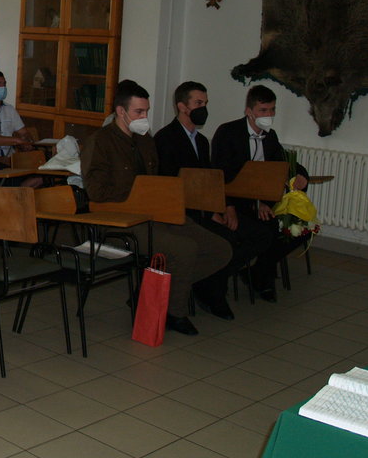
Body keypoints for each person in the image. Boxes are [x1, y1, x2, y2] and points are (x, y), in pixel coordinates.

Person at [80, 80, 231, 335]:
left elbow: (158, 179)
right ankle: (174, 312)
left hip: (154, 213)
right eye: (139, 112)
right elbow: (96, 193)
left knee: (219, 249)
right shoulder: (101, 142)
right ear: (121, 111)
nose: (144, 117)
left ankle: (150, 292)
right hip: (119, 220)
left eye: (146, 111)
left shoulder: (145, 140)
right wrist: (139, 194)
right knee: (184, 249)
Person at [154, 81, 271, 319]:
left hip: (204, 210)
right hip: (183, 213)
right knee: (227, 240)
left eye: (205, 103)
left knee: (261, 234)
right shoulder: (165, 138)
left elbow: (209, 182)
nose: (204, 108)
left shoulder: (201, 140)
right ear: (182, 107)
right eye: (198, 103)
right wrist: (209, 213)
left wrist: (223, 208)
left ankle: (207, 280)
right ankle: (212, 291)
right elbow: (171, 186)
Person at [212, 84, 309, 300]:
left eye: (272, 110)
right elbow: (220, 175)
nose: (268, 115)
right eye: (263, 110)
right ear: (249, 111)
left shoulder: (270, 136)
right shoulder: (228, 133)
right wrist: (229, 206)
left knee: (302, 228)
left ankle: (258, 271)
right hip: (236, 202)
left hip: (261, 202)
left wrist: (301, 175)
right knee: (267, 231)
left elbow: (283, 163)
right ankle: (256, 277)